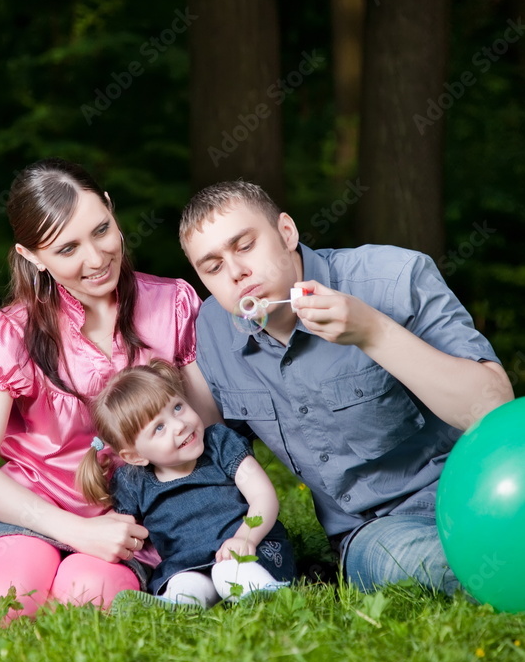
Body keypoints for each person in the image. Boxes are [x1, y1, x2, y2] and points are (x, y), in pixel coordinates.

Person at [0, 158, 219, 619]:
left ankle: (42, 580)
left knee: (89, 599)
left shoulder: (172, 304)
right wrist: (74, 530)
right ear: (32, 256)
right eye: (67, 248)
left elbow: (207, 433)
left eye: (102, 229)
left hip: (134, 519)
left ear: (111, 210)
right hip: (33, 510)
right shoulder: (13, 332)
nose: (96, 258)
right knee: (5, 603)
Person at [179, 180, 514, 596]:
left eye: (245, 245)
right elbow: (202, 450)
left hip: (479, 487)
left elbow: (494, 407)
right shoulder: (212, 333)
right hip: (377, 531)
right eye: (212, 267)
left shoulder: (392, 278)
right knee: (429, 564)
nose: (235, 272)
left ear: (286, 233)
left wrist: (372, 332)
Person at [76, 359, 295, 608]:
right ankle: (176, 607)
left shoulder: (220, 444)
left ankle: (266, 596)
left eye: (177, 407)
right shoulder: (133, 482)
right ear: (135, 456)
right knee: (186, 583)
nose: (180, 425)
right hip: (188, 563)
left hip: (250, 549)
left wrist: (246, 538)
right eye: (159, 427)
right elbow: (121, 530)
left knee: (228, 572)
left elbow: (263, 496)